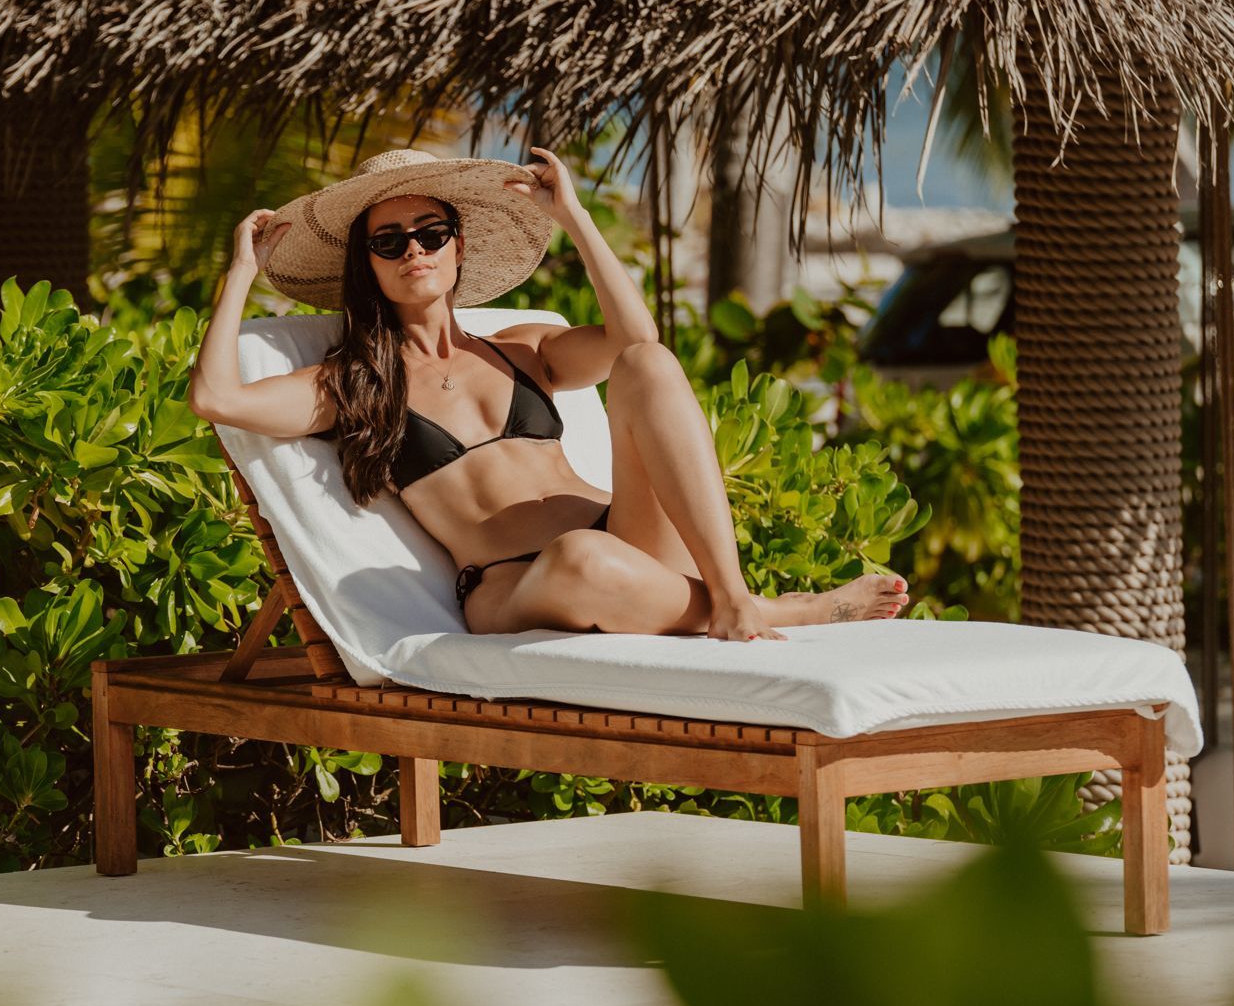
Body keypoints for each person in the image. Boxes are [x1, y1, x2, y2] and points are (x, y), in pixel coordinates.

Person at [188, 144, 907, 641]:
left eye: (430, 233)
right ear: (367, 265)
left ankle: (731, 593)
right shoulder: (354, 385)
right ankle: (785, 612)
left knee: (650, 364)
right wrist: (243, 273)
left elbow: (635, 337)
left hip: (630, 545)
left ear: (457, 246)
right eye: (389, 241)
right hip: (519, 583)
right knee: (577, 560)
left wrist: (577, 221)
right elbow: (217, 398)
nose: (414, 250)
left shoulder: (525, 348)